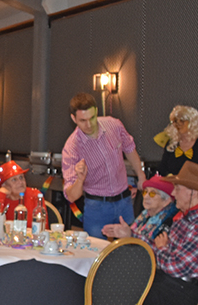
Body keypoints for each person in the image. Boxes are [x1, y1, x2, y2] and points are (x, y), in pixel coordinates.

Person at [86, 162, 198, 305]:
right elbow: (163, 254)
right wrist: (157, 247)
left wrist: (161, 250)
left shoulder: (194, 223)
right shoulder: (185, 218)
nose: (174, 193)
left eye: (178, 189)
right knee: (113, 283)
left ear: (193, 192)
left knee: (122, 292)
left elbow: (176, 266)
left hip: (180, 291)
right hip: (169, 281)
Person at [62, 92, 146, 238]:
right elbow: (71, 196)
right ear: (73, 119)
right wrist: (80, 179)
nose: (89, 125)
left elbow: (129, 148)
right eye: (83, 120)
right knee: (97, 250)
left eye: (92, 118)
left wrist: (141, 175)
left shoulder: (114, 125)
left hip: (124, 201)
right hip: (97, 207)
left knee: (130, 247)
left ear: (96, 111)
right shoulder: (72, 148)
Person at [101, 175, 178, 244]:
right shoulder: (144, 215)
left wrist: (129, 235)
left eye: (152, 194)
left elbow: (156, 249)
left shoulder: (169, 223)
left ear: (166, 201)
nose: (146, 196)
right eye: (145, 192)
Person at [155, 105, 198, 176]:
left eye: (182, 120)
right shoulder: (171, 144)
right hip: (173, 182)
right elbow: (162, 169)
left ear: (192, 122)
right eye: (175, 121)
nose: (178, 123)